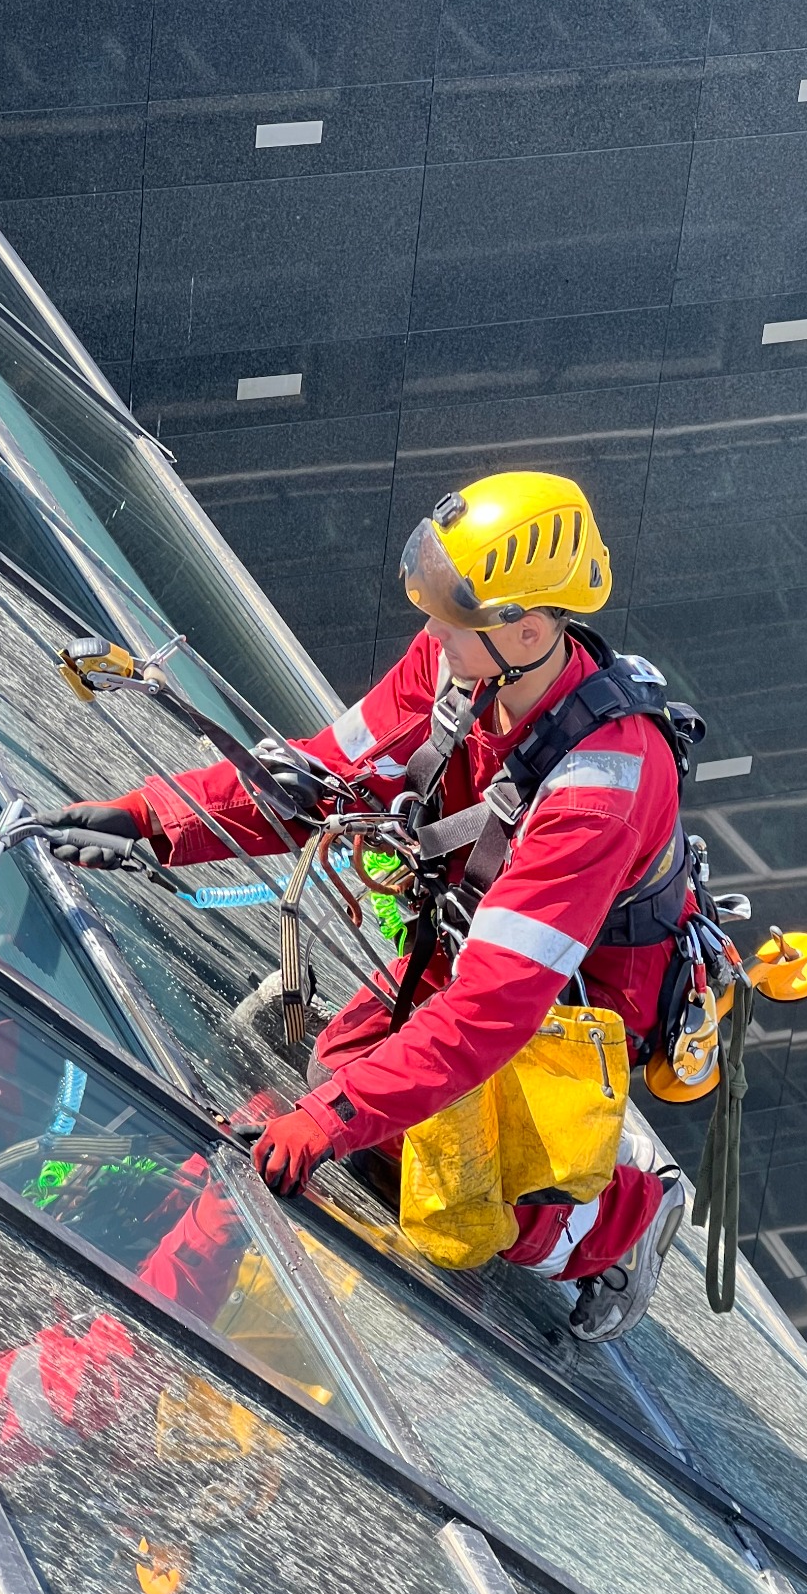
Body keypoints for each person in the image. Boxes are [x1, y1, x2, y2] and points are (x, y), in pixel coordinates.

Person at [39, 472, 694, 1343]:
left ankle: (624, 1223)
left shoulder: (602, 786)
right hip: (480, 940)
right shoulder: (461, 667)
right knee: (343, 1063)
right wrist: (155, 821)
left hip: (583, 995)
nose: (427, 634)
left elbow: (495, 1007)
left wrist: (335, 1119)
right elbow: (320, 776)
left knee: (455, 1189)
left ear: (528, 630)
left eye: (450, 619)